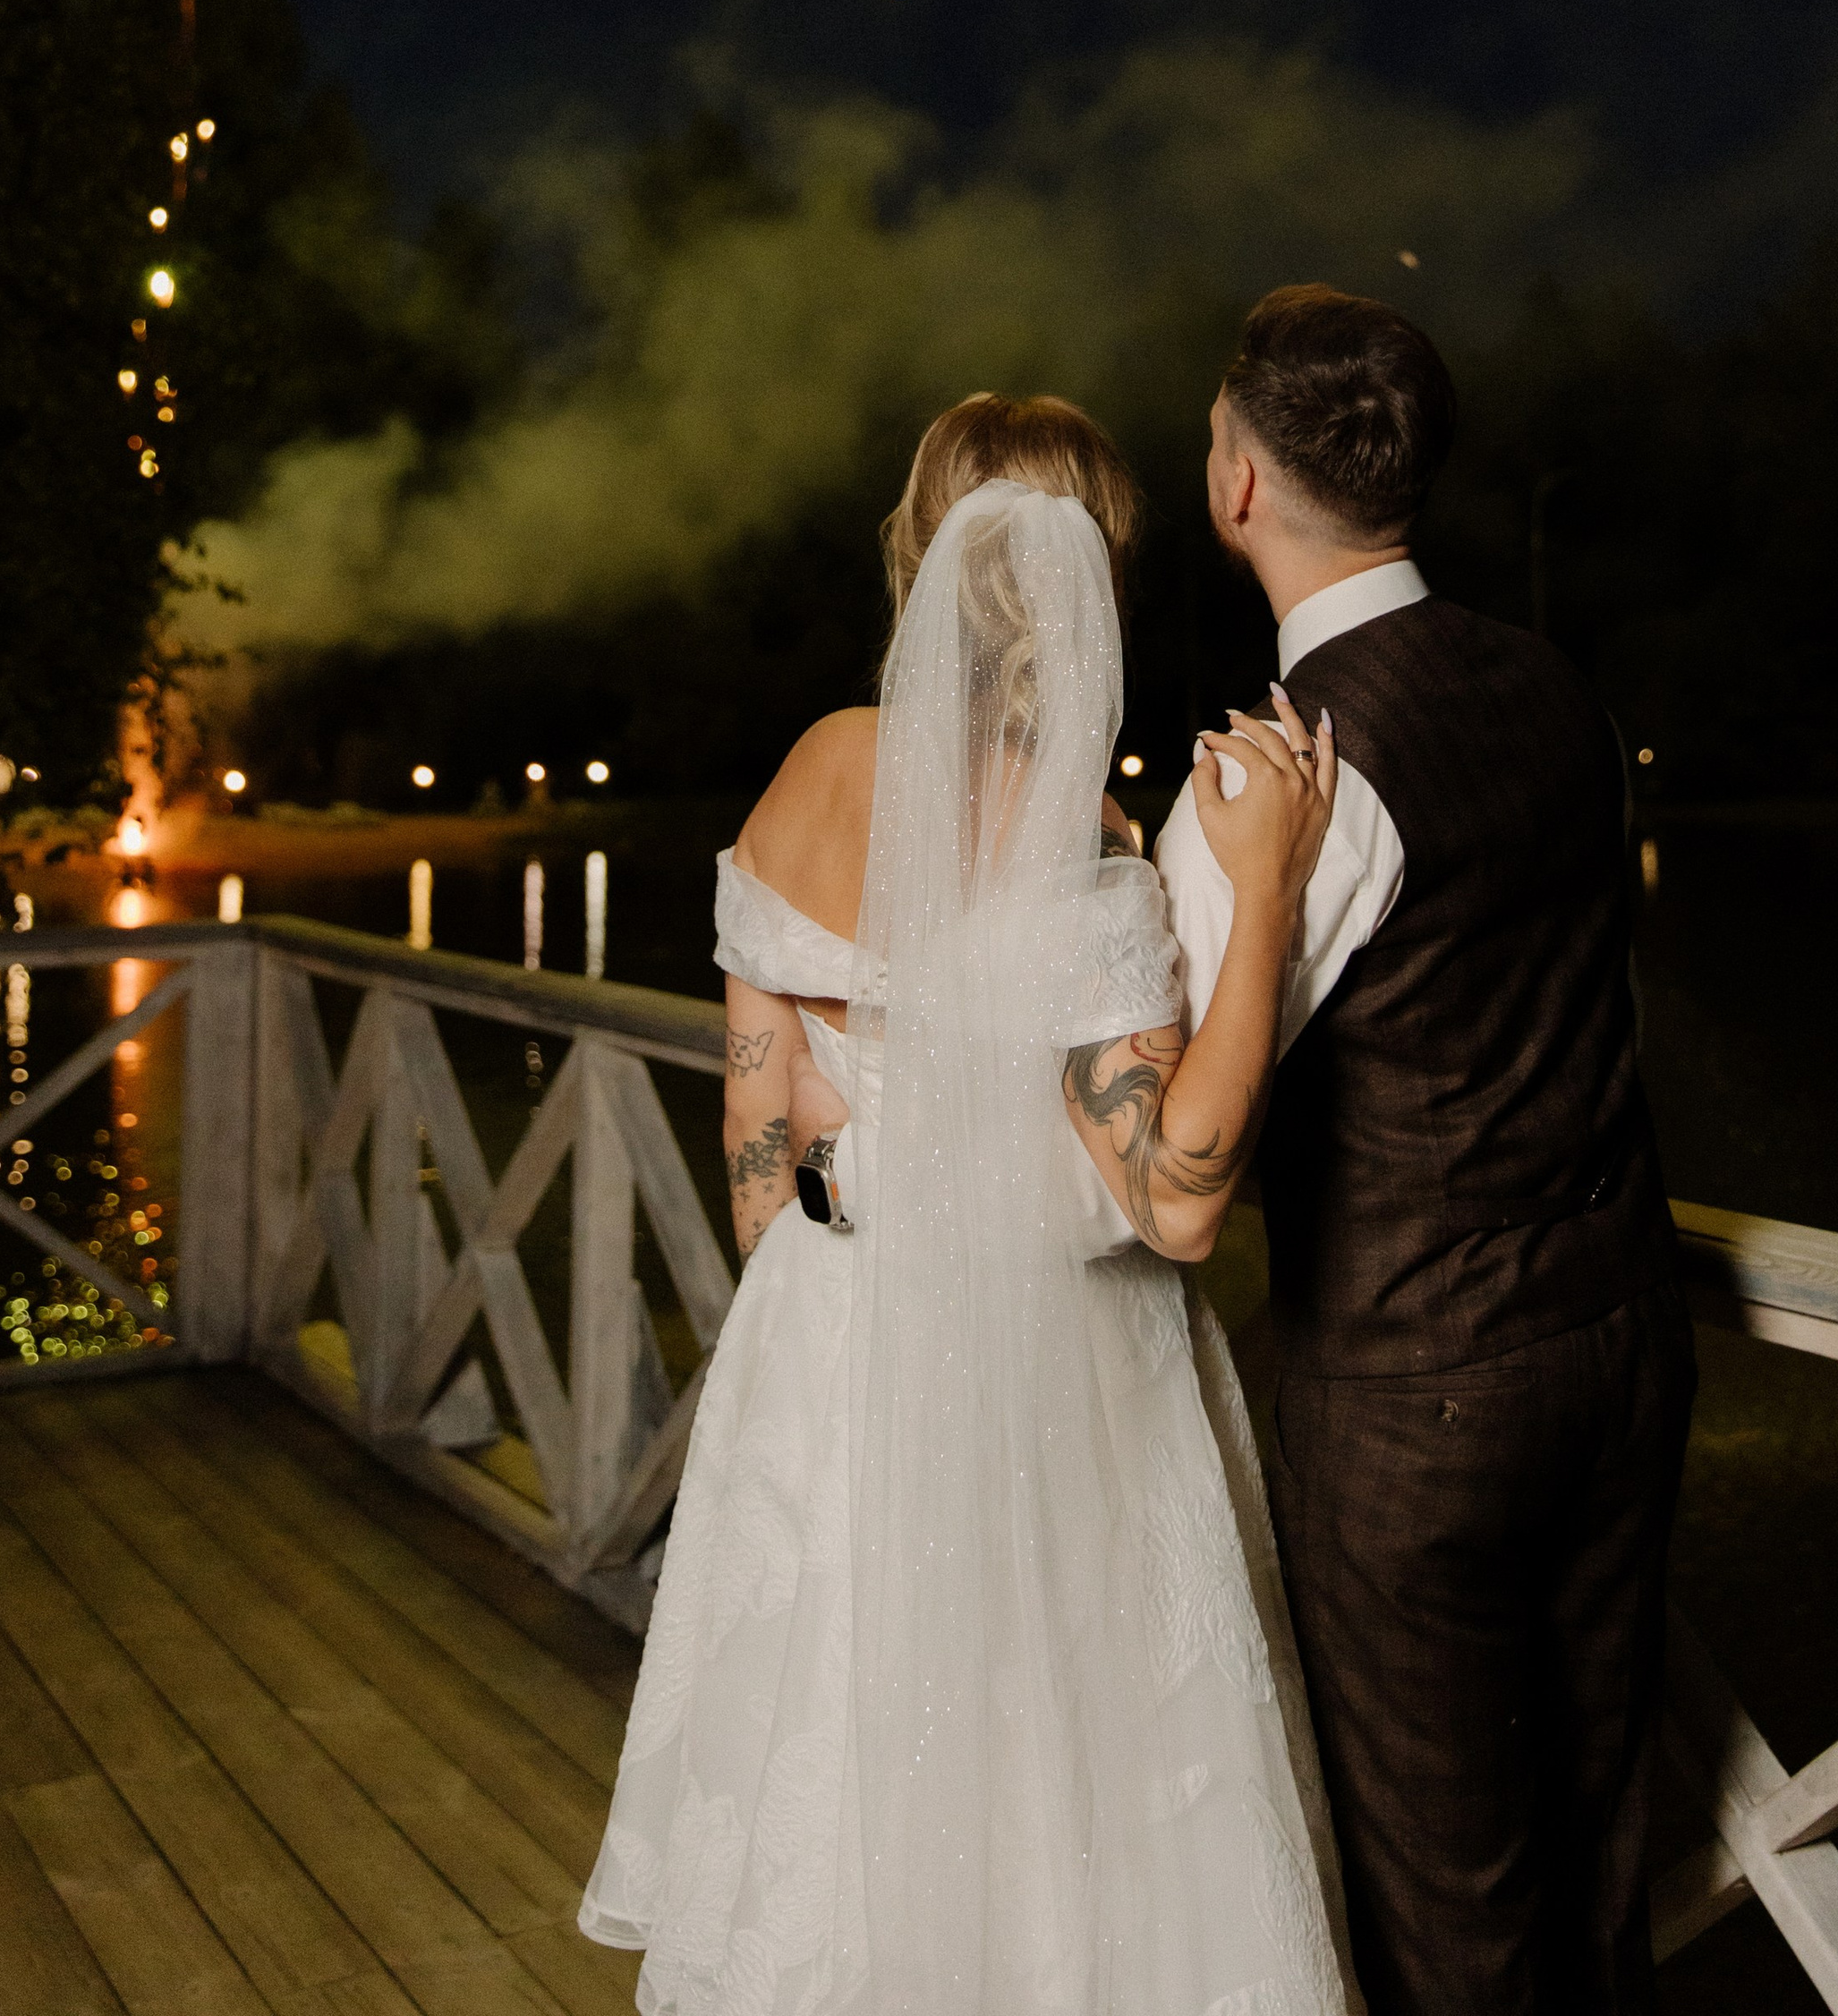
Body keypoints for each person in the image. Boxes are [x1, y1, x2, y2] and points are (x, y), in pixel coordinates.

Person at [580, 391, 1358, 2016]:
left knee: (841, 1753)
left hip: (820, 1328)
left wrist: (816, 1325)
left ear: (917, 559)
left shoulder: (812, 772)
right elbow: (1174, 1205)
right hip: (1051, 1379)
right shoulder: (1088, 850)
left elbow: (755, 1108)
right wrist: (1267, 888)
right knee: (1056, 1760)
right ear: (1096, 581)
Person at [1153, 287, 1693, 2016]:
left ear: (1239, 481)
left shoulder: (1273, 779)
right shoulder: (1555, 689)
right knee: (1605, 1854)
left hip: (1413, 1400)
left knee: (1444, 1911)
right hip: (1622, 1341)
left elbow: (1182, 1153)